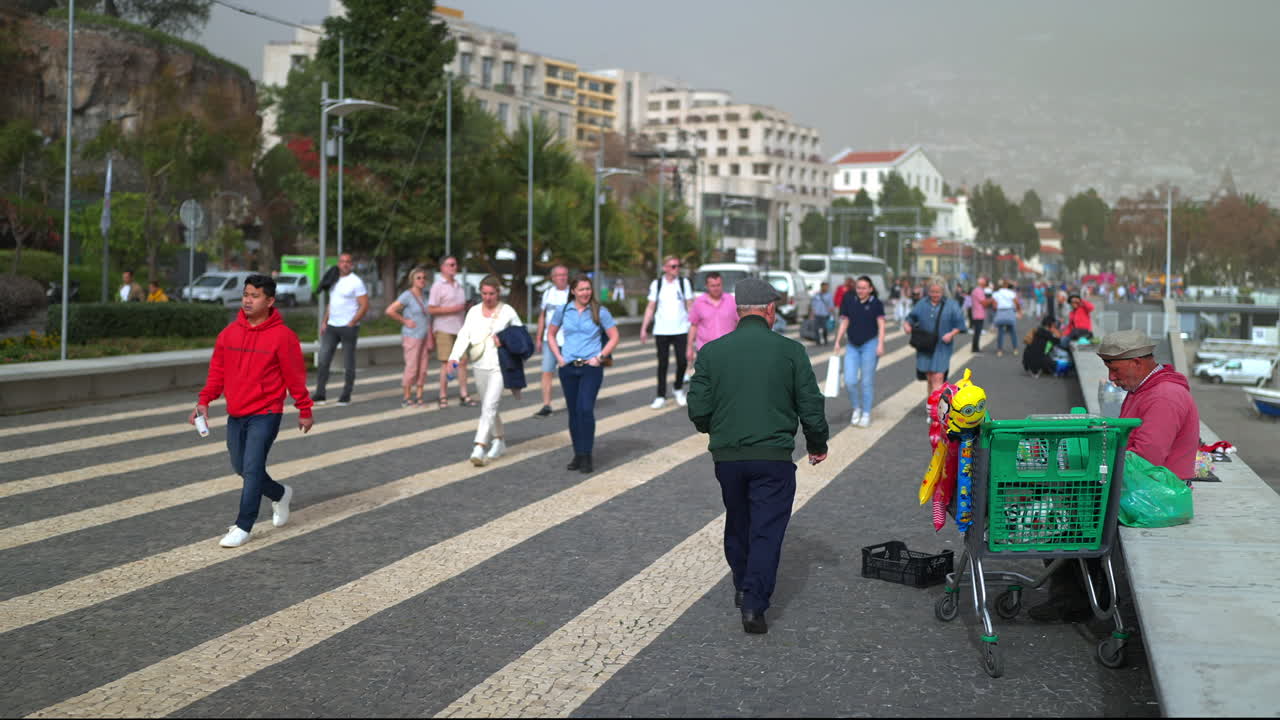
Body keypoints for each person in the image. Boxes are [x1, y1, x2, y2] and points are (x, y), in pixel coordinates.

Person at [686, 277, 829, 635]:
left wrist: (715, 430)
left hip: (728, 457)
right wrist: (817, 443)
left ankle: (741, 582)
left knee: (738, 520)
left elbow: (698, 407)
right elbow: (811, 404)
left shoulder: (712, 352)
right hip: (773, 456)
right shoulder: (791, 351)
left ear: (738, 311)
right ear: (770, 310)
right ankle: (753, 603)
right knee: (766, 529)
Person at [1030, 329, 1200, 623]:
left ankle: (1075, 601)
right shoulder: (1145, 389)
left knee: (1063, 520)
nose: (1111, 378)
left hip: (1156, 495)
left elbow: (1145, 459)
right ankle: (1084, 595)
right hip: (1146, 484)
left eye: (1115, 369)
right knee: (1062, 508)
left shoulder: (1163, 396)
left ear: (1137, 362)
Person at [189, 275, 313, 548]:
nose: (248, 300)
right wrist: (204, 401)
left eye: (255, 296)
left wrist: (304, 408)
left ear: (269, 301)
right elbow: (217, 373)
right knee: (241, 467)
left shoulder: (283, 337)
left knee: (253, 467)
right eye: (246, 294)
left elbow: (294, 376)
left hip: (266, 412)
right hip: (236, 413)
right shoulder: (228, 333)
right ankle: (280, 493)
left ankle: (243, 525)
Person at [547, 275, 621, 475]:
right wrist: (559, 358)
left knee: (585, 409)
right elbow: (550, 334)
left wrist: (600, 357)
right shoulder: (563, 310)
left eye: (588, 289)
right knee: (574, 412)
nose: (585, 293)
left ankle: (587, 454)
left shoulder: (600, 311)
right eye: (581, 289)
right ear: (573, 291)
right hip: (568, 367)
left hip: (591, 368)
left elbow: (614, 336)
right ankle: (578, 454)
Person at [448, 275, 523, 467]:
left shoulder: (508, 311)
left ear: (498, 293)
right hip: (479, 364)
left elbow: (521, 337)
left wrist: (505, 340)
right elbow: (464, 335)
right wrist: (454, 357)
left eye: (491, 293)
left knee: (490, 405)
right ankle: (499, 440)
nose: (488, 297)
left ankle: (479, 447)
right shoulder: (473, 311)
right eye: (484, 293)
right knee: (488, 406)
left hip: (500, 366)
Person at [311, 253, 369, 406]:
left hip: (348, 327)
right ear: (338, 263)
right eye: (342, 261)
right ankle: (320, 394)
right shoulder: (334, 279)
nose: (345, 264)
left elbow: (364, 305)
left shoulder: (356, 282)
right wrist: (325, 321)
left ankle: (345, 395)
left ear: (352, 264)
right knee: (323, 359)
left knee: (348, 362)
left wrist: (353, 322)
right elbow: (332, 303)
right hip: (332, 327)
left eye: (348, 262)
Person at [904, 276, 966, 412]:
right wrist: (907, 325)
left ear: (943, 291)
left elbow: (960, 324)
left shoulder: (951, 305)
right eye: (932, 291)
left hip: (942, 346)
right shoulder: (922, 303)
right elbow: (910, 318)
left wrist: (951, 334)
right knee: (930, 378)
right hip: (925, 346)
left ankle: (936, 412)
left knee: (938, 377)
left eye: (938, 292)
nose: (935, 295)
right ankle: (932, 406)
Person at [640, 256, 693, 409]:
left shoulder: (683, 283)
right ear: (665, 268)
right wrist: (644, 328)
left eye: (678, 266)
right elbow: (650, 307)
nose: (677, 269)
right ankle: (660, 396)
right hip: (661, 330)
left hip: (681, 329)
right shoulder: (657, 284)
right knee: (662, 364)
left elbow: (690, 305)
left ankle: (678, 388)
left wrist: (693, 327)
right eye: (673, 266)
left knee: (682, 362)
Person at [834, 275, 886, 428]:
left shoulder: (876, 303)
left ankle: (866, 413)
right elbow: (845, 321)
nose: (861, 291)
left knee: (866, 381)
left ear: (870, 289)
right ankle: (856, 408)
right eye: (858, 288)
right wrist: (838, 340)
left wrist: (880, 344)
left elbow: (881, 325)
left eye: (864, 288)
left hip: (870, 344)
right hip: (852, 346)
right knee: (849, 381)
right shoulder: (850, 301)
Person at [428, 255, 476, 408]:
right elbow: (431, 309)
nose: (454, 267)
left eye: (455, 264)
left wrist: (466, 307)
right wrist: (453, 309)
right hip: (443, 328)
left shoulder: (458, 286)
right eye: (451, 264)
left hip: (459, 328)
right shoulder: (437, 286)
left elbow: (460, 307)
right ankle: (443, 395)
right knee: (446, 363)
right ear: (442, 267)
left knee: (463, 362)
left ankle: (464, 394)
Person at [384, 266, 435, 407]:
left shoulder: (425, 296)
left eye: (424, 278)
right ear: (412, 280)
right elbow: (390, 310)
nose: (422, 280)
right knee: (412, 367)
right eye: (418, 278)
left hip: (424, 336)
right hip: (412, 336)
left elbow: (428, 317)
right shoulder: (407, 295)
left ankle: (419, 397)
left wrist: (431, 335)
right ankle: (406, 397)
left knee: (423, 368)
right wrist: (405, 321)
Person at [533, 264, 571, 418]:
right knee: (547, 371)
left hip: (568, 340)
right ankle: (546, 405)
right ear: (553, 278)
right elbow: (542, 316)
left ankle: (572, 401)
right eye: (558, 275)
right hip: (550, 340)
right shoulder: (548, 293)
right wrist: (538, 337)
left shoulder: (573, 293)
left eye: (564, 274)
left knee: (568, 373)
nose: (562, 278)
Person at [686, 271, 739, 368]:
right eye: (713, 286)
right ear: (707, 286)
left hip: (728, 350)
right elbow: (693, 326)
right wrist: (689, 348)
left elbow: (740, 324)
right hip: (705, 351)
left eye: (718, 285)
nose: (716, 288)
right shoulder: (699, 302)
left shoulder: (732, 301)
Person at [992, 279, 1022, 357]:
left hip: (1000, 312)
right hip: (1009, 312)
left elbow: (994, 306)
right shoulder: (1011, 293)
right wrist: (1019, 311)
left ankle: (999, 350)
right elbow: (1017, 303)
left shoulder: (996, 293)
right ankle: (1015, 349)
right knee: (1012, 332)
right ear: (1007, 285)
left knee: (1000, 332)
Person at [968, 276, 991, 353]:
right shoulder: (979, 291)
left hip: (976, 313)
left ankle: (975, 347)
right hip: (979, 314)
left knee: (977, 332)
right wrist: (990, 300)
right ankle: (975, 348)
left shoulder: (976, 290)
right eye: (985, 281)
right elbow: (983, 302)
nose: (987, 283)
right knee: (977, 332)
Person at [808, 281, 833, 345]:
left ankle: (825, 339)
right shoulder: (816, 295)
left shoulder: (829, 295)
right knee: (816, 328)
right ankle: (818, 341)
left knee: (825, 329)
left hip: (825, 314)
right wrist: (812, 313)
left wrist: (831, 312)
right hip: (817, 314)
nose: (826, 288)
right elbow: (813, 304)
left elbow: (831, 305)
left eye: (827, 287)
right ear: (822, 287)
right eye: (825, 286)